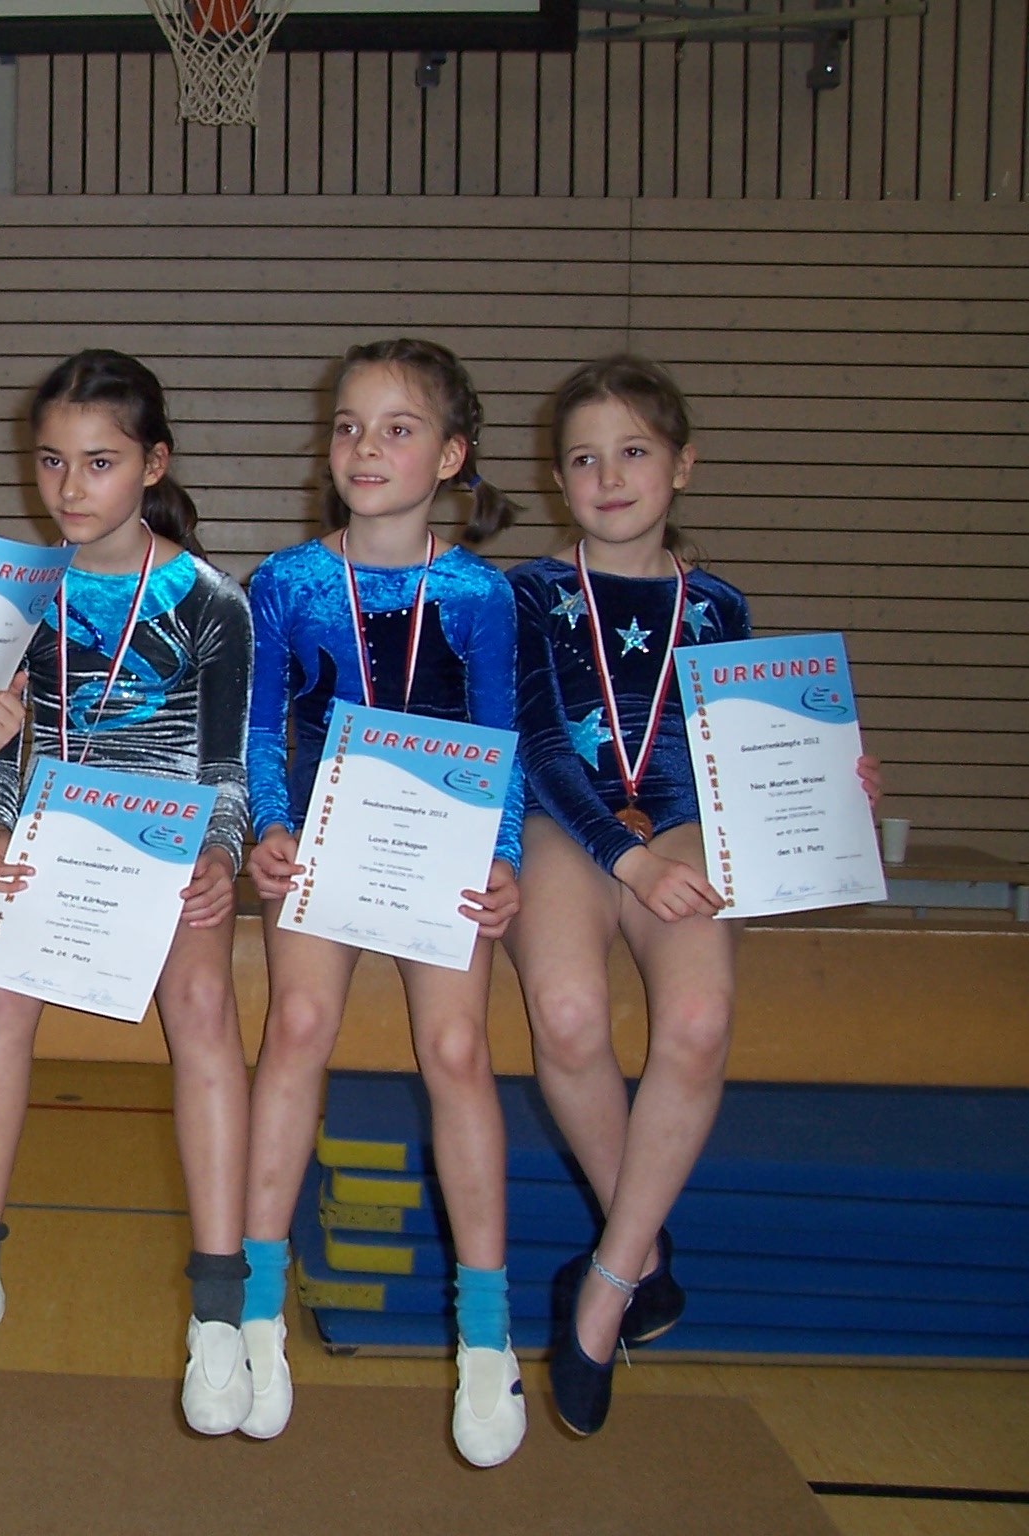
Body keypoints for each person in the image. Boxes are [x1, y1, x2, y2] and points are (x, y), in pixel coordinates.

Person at [503, 355, 880, 1435]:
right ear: (558, 479)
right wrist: (626, 863)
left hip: (678, 819)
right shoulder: (528, 594)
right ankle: (649, 1256)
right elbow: (540, 746)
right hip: (567, 822)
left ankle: (610, 1279)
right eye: (584, 459)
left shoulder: (718, 605)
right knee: (567, 1014)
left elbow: (736, 746)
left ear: (682, 465)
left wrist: (831, 781)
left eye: (633, 452)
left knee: (702, 1020)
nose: (609, 477)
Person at [0, 351, 255, 1433]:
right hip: (55, 842)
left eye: (99, 462)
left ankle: (219, 1302)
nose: (70, 487)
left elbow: (225, 766)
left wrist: (220, 856)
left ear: (153, 465)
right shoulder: (20, 598)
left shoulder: (211, 601)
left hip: (169, 847)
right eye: (52, 461)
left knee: (201, 1003)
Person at [242, 338, 528, 1467]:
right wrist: (268, 828)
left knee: (456, 1048)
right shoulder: (287, 581)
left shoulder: (482, 594)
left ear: (451, 456)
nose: (367, 448)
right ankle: (254, 1310)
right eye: (350, 426)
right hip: (325, 838)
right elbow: (263, 727)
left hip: (440, 842)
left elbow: (501, 734)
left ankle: (486, 1331)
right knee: (298, 1025)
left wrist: (502, 855)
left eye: (399, 429)